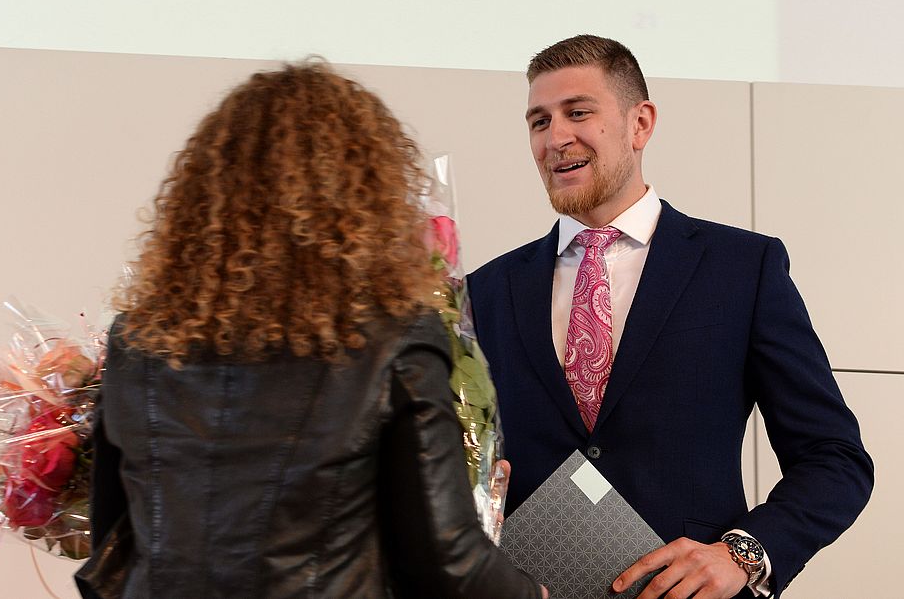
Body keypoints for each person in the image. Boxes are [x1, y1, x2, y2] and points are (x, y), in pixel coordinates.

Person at [75, 61, 545, 599]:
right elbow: (446, 560)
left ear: (208, 196)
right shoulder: (393, 342)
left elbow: (111, 550)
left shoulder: (137, 342)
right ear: (365, 197)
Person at [466, 35, 873, 599]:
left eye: (577, 113)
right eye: (539, 121)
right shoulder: (483, 291)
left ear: (641, 123)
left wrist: (742, 554)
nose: (555, 138)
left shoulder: (742, 268)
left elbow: (834, 459)